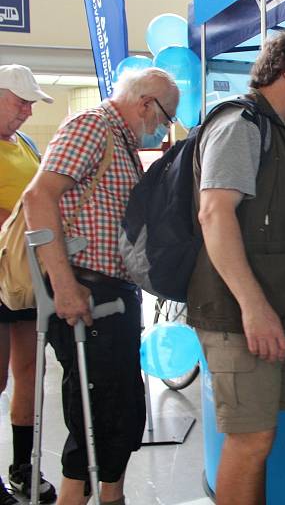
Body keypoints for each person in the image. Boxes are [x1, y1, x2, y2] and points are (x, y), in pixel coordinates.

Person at [186, 30, 285, 505]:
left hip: (268, 312)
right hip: (241, 317)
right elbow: (214, 213)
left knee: (258, 442)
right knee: (249, 441)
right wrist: (254, 308)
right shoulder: (241, 125)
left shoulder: (278, 134)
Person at [22, 68, 179, 505]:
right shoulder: (92, 125)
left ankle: (113, 497)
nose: (163, 128)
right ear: (146, 103)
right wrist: (64, 284)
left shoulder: (123, 142)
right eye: (166, 117)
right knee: (94, 414)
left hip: (115, 294)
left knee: (122, 412)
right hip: (85, 289)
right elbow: (39, 198)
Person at [0, 65, 57, 504]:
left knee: (29, 375)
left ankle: (23, 466)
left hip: (27, 278)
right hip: (2, 275)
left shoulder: (26, 144)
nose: (26, 109)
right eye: (18, 101)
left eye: (30, 102)